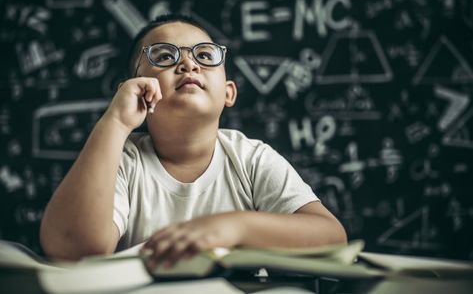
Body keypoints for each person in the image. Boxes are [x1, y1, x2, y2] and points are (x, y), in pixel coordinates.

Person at [40, 14, 347, 268]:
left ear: (228, 92)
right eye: (164, 56)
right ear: (132, 88)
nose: (188, 64)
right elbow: (73, 248)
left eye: (204, 55)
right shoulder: (122, 159)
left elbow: (331, 236)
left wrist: (232, 227)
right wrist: (115, 122)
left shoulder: (251, 159)